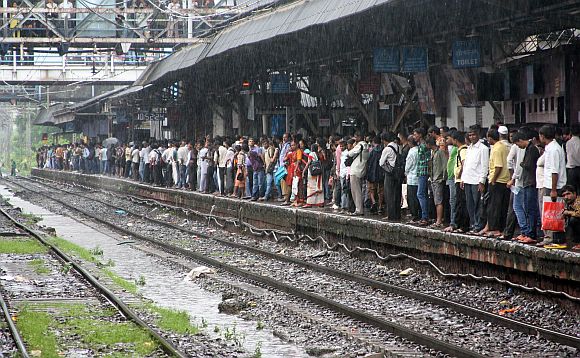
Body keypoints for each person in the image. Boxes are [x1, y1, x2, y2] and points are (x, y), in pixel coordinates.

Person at [537, 124, 567, 247]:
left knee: (551, 212)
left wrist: (553, 189)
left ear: (543, 136)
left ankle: (550, 237)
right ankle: (551, 236)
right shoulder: (551, 148)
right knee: (551, 212)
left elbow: (554, 170)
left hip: (553, 185)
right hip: (550, 183)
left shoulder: (554, 149)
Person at [511, 131, 540, 243]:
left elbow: (527, 165)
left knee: (531, 209)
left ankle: (531, 234)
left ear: (520, 140)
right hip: (527, 182)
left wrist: (522, 164)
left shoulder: (532, 149)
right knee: (527, 208)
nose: (518, 147)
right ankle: (527, 232)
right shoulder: (528, 149)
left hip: (531, 182)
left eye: (518, 144)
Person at [482, 128, 510, 238]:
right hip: (504, 180)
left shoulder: (497, 148)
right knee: (501, 206)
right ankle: (499, 228)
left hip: (497, 180)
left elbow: (498, 166)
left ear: (490, 138)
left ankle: (495, 228)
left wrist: (493, 179)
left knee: (494, 206)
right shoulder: (503, 147)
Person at [461, 125, 489, 233]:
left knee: (478, 204)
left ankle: (479, 225)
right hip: (468, 178)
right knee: (470, 204)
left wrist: (481, 181)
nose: (471, 137)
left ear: (478, 135)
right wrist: (463, 178)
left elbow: (484, 166)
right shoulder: (469, 148)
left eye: (473, 135)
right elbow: (466, 164)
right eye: (470, 135)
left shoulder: (483, 149)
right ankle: (473, 224)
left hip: (476, 180)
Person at [380, 132, 402, 220]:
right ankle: (397, 214)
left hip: (390, 174)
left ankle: (391, 215)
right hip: (398, 172)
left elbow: (381, 163)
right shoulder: (398, 146)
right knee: (397, 194)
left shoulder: (387, 149)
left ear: (384, 140)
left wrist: (388, 169)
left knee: (389, 195)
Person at [427, 136, 447, 228]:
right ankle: (437, 219)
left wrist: (443, 178)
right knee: (436, 200)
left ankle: (439, 220)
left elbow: (444, 165)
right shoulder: (433, 153)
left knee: (438, 201)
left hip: (438, 179)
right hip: (433, 179)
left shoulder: (439, 152)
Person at [347, 134, 368, 216]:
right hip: (361, 169)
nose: (354, 139)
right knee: (357, 190)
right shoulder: (366, 145)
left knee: (356, 191)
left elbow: (350, 153)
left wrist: (353, 146)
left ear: (359, 137)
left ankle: (358, 209)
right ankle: (359, 209)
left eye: (356, 137)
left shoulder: (360, 145)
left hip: (356, 170)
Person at [366, 136, 384, 215]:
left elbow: (368, 163)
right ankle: (380, 206)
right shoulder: (383, 150)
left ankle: (373, 202)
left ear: (373, 142)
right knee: (381, 190)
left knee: (371, 189)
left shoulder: (372, 151)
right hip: (381, 173)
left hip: (372, 173)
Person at [303, 144, 324, 208]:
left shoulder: (311, 154)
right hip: (318, 172)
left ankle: (309, 203)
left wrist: (304, 170)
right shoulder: (318, 154)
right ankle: (320, 202)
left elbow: (308, 163)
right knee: (318, 186)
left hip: (312, 173)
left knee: (311, 188)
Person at [405, 135, 420, 222]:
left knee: (412, 198)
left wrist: (405, 172)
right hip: (418, 177)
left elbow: (408, 165)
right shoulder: (419, 149)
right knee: (418, 197)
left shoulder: (411, 151)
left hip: (411, 177)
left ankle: (414, 215)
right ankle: (418, 214)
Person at [561, 185, 580, 251]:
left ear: (574, 194)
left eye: (568, 194)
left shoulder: (578, 201)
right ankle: (571, 242)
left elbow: (578, 214)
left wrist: (568, 212)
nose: (566, 197)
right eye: (564, 195)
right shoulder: (569, 203)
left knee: (574, 220)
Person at [565, 125, 580, 192]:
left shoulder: (568, 143)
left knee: (571, 191)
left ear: (571, 132)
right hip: (579, 168)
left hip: (571, 170)